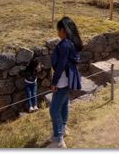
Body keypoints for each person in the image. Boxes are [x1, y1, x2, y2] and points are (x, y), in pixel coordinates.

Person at [49, 17, 83, 148]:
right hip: (69, 79)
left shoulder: (64, 44)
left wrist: (54, 82)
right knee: (63, 105)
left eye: (58, 30)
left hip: (62, 80)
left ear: (62, 30)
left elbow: (61, 65)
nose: (57, 32)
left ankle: (58, 139)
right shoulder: (72, 43)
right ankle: (63, 129)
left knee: (53, 109)